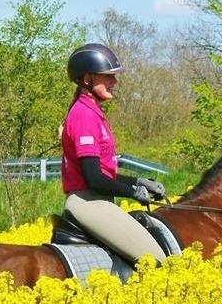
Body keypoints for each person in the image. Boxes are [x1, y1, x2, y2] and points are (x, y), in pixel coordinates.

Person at [60, 43, 167, 265]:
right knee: (155, 260)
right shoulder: (83, 115)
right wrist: (132, 191)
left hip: (99, 200)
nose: (114, 82)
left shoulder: (93, 112)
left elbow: (103, 172)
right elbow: (93, 178)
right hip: (88, 203)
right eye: (107, 77)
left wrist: (140, 181)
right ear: (88, 78)